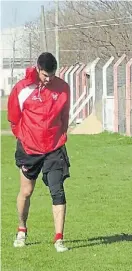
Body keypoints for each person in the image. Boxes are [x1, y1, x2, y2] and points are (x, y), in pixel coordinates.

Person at [8, 52, 71, 252]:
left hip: (54, 147)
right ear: (37, 69)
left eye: (52, 75)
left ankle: (59, 239)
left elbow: (65, 116)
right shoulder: (22, 88)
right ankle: (21, 229)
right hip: (29, 148)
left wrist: (58, 138)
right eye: (45, 75)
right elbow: (14, 117)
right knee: (27, 191)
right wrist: (24, 137)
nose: (49, 79)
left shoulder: (63, 88)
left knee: (57, 191)